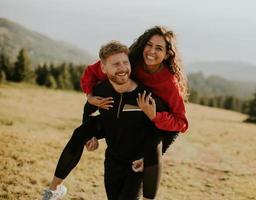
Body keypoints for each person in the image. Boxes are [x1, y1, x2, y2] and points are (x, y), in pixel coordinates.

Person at [42, 41, 176, 200]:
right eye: (116, 64)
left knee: (154, 140)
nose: (122, 68)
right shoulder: (101, 90)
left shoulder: (146, 97)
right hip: (113, 161)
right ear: (104, 68)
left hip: (137, 165)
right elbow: (88, 110)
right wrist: (90, 136)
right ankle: (54, 190)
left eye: (125, 62)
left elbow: (171, 129)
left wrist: (151, 157)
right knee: (81, 131)